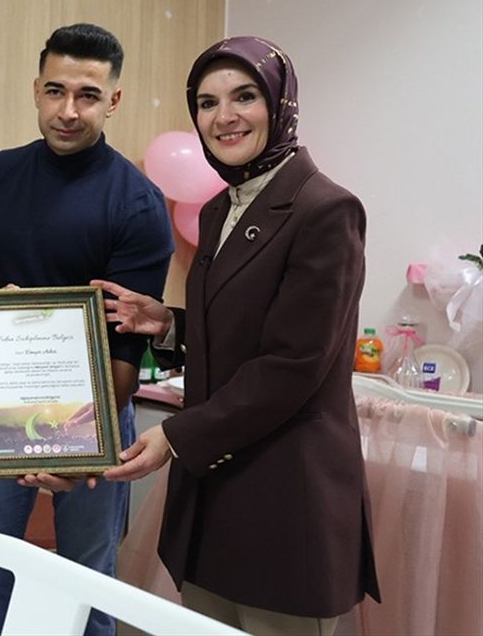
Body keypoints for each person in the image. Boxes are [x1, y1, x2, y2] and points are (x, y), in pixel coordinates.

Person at [95, 36, 380, 635]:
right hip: (216, 496)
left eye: (244, 96)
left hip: (286, 501)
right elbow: (247, 326)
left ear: (280, 104)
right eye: (207, 103)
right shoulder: (221, 208)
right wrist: (169, 322)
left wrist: (175, 436)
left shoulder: (325, 209)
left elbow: (293, 362)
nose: (224, 116)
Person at [0, 23, 173, 636]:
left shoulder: (138, 202)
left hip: (97, 413)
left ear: (113, 100)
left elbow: (125, 349)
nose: (68, 111)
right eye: (55, 91)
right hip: (2, 411)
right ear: (36, 90)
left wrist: (78, 448)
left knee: (87, 578)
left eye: (88, 95)